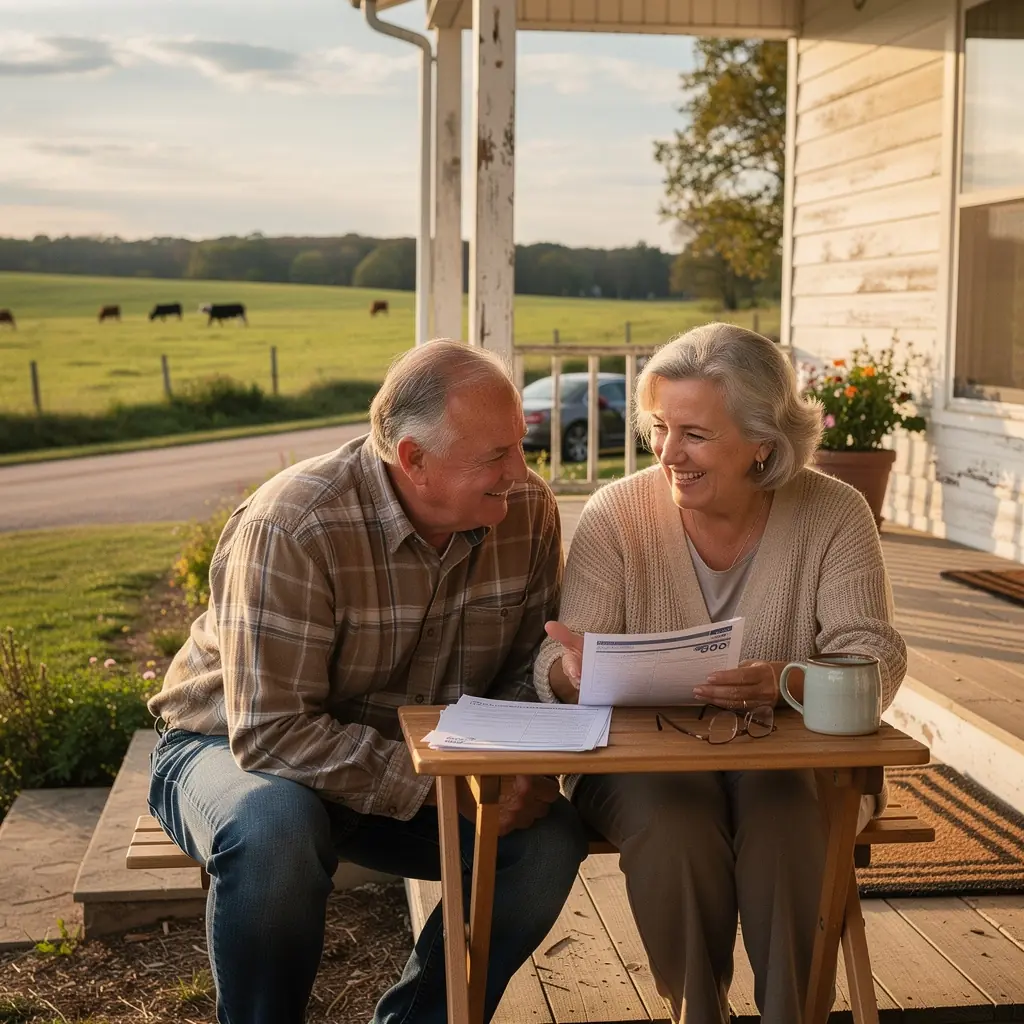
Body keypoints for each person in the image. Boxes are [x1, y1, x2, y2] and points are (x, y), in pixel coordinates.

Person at [148, 340, 589, 1024]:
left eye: (518, 446)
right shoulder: (294, 524)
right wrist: (445, 784)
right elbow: (271, 732)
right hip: (230, 748)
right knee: (275, 831)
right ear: (413, 459)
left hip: (411, 760)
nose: (521, 472)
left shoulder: (525, 511)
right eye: (495, 456)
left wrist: (505, 767)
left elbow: (517, 676)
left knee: (547, 840)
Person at [535, 323, 907, 1024]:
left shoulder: (834, 511)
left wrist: (789, 681)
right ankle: (696, 1014)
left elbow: (875, 655)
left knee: (789, 819)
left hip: (797, 761)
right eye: (659, 427)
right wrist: (568, 673)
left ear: (763, 440)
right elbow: (554, 664)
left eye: (695, 434)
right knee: (673, 823)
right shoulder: (616, 515)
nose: (668, 452)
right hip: (642, 765)